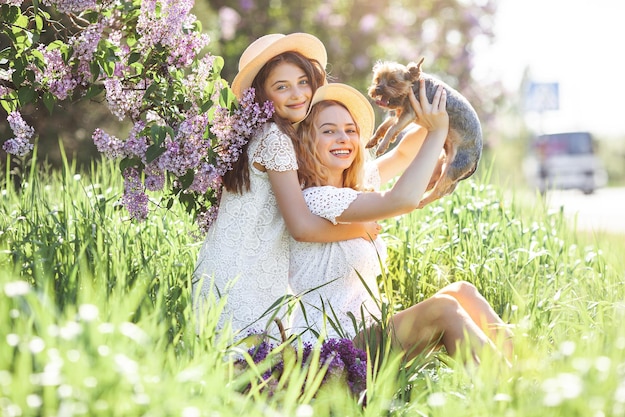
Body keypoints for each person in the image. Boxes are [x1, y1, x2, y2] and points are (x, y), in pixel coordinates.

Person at [289, 83, 513, 364]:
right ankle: (504, 392)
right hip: (329, 348)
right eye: (328, 130)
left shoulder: (355, 187)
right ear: (307, 140)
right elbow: (402, 199)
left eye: (350, 130)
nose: (343, 138)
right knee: (443, 309)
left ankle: (522, 374)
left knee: (462, 292)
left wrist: (434, 110)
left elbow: (404, 154)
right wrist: (437, 131)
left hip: (362, 334)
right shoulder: (315, 199)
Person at [192, 34, 380, 341]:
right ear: (263, 96)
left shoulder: (264, 136)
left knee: (243, 378)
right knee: (249, 376)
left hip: (236, 270)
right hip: (243, 277)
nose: (297, 94)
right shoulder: (275, 139)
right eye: (281, 87)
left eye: (303, 82)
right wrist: (361, 229)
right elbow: (302, 227)